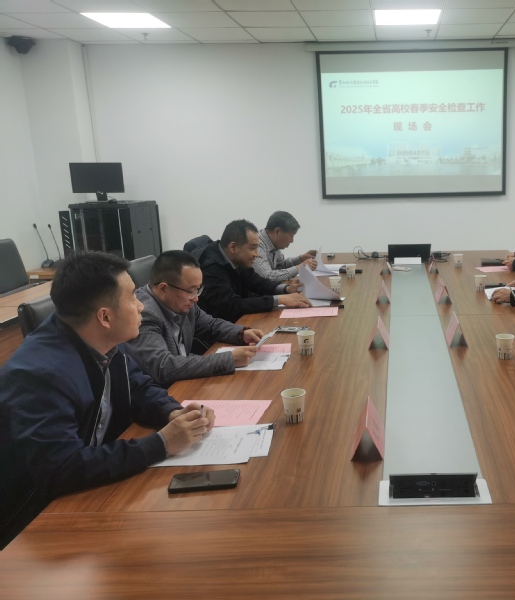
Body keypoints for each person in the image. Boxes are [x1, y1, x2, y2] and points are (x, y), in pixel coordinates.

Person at [0, 252, 215, 547]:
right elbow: (61, 468)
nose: (141, 305)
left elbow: (137, 386)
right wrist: (161, 444)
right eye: (132, 298)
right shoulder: (37, 375)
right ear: (105, 316)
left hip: (94, 484)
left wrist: (172, 413)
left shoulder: (101, 339)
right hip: (37, 522)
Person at [128, 250, 267, 388]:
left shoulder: (183, 301)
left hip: (186, 380)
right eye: (191, 290)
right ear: (163, 289)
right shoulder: (144, 314)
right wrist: (229, 359)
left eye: (198, 289)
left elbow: (210, 325)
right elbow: (163, 367)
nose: (196, 298)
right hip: (166, 391)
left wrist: (241, 333)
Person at [193, 219, 312, 323]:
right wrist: (280, 299)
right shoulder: (210, 268)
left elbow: (256, 281)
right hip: (217, 329)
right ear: (233, 247)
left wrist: (286, 289)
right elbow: (232, 305)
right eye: (253, 248)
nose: (257, 254)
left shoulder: (236, 258)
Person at [253, 211, 318, 283]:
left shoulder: (273, 243)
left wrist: (301, 258)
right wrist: (300, 267)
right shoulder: (257, 244)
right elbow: (267, 277)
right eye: (291, 236)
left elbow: (280, 265)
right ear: (277, 231)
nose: (292, 241)